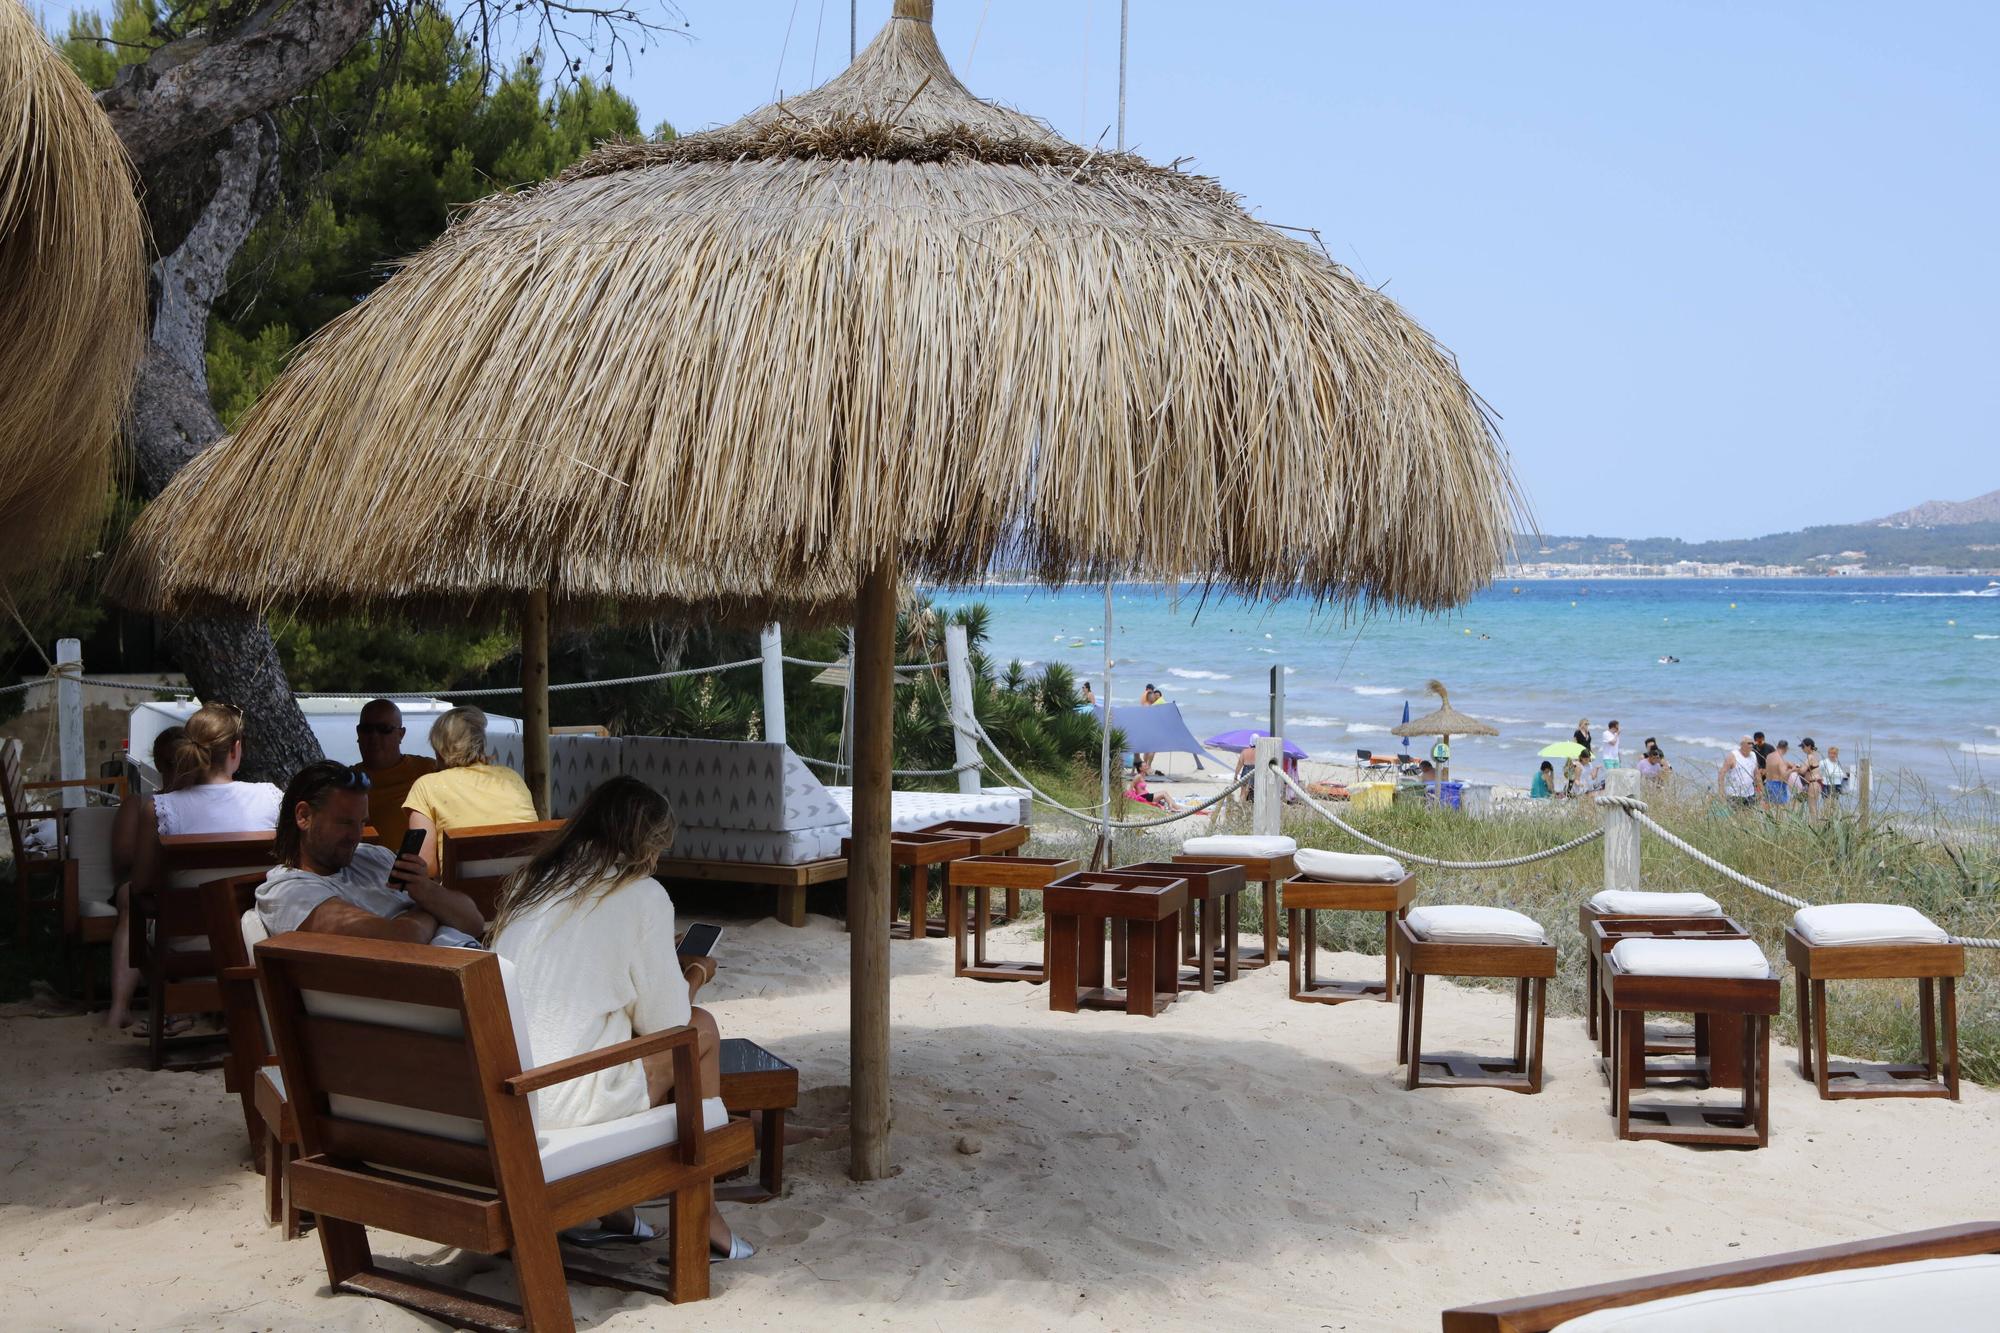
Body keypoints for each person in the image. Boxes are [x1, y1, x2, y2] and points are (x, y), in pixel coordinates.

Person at [488, 777, 751, 1259]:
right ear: (647, 847)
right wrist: (694, 972)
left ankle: (618, 1214)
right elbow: (669, 1024)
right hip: (564, 1100)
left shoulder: (531, 881)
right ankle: (703, 1212)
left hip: (505, 1092)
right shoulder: (640, 893)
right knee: (702, 1029)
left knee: (610, 1024)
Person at [115, 704, 286, 1031]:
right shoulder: (270, 798)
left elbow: (141, 886)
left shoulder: (162, 808)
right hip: (254, 938)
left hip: (188, 944)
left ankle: (179, 1008)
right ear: (236, 749)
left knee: (142, 910)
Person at [257, 761, 488, 943]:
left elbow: (474, 921)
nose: (356, 836)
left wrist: (425, 890)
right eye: (345, 823)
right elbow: (404, 939)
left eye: (361, 823)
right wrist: (431, 908)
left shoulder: (373, 857)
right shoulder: (289, 892)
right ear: (304, 816)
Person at [104, 727, 184, 1031]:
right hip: (144, 885)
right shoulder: (139, 804)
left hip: (185, 889)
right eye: (173, 761)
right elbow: (123, 859)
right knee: (131, 899)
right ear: (161, 765)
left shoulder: (200, 804)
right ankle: (120, 1006)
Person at [404, 706, 539, 875]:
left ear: (439, 749)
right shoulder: (511, 778)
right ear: (480, 743)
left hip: (463, 896)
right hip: (525, 889)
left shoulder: (426, 786)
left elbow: (423, 865)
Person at [352, 699, 437, 847]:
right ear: (358, 733)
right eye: (366, 729)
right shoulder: (345, 782)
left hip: (416, 867)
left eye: (384, 729)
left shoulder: (428, 771)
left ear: (401, 734)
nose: (374, 737)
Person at [1718, 737, 1758, 807]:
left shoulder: (1753, 755)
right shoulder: (1733, 756)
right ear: (1742, 744)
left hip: (1750, 794)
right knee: (1736, 816)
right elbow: (1721, 773)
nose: (1751, 745)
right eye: (1749, 743)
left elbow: (1757, 774)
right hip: (1735, 794)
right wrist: (1721, 791)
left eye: (1752, 743)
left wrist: (1761, 791)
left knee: (1749, 816)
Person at [1796, 738, 1824, 815]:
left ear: (1809, 746)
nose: (1802, 749)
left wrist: (1794, 769)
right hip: (1817, 783)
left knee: (1812, 808)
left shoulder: (1810, 756)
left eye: (1803, 747)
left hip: (1813, 783)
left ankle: (1814, 826)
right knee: (1813, 807)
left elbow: (1802, 771)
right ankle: (1815, 825)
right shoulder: (1816, 755)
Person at [1763, 742, 1794, 806]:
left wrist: (1786, 764)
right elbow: (1784, 776)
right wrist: (1792, 770)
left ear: (1777, 747)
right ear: (1786, 748)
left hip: (1768, 783)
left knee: (1769, 806)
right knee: (1780, 809)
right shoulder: (1780, 759)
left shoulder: (1769, 756)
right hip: (1777, 785)